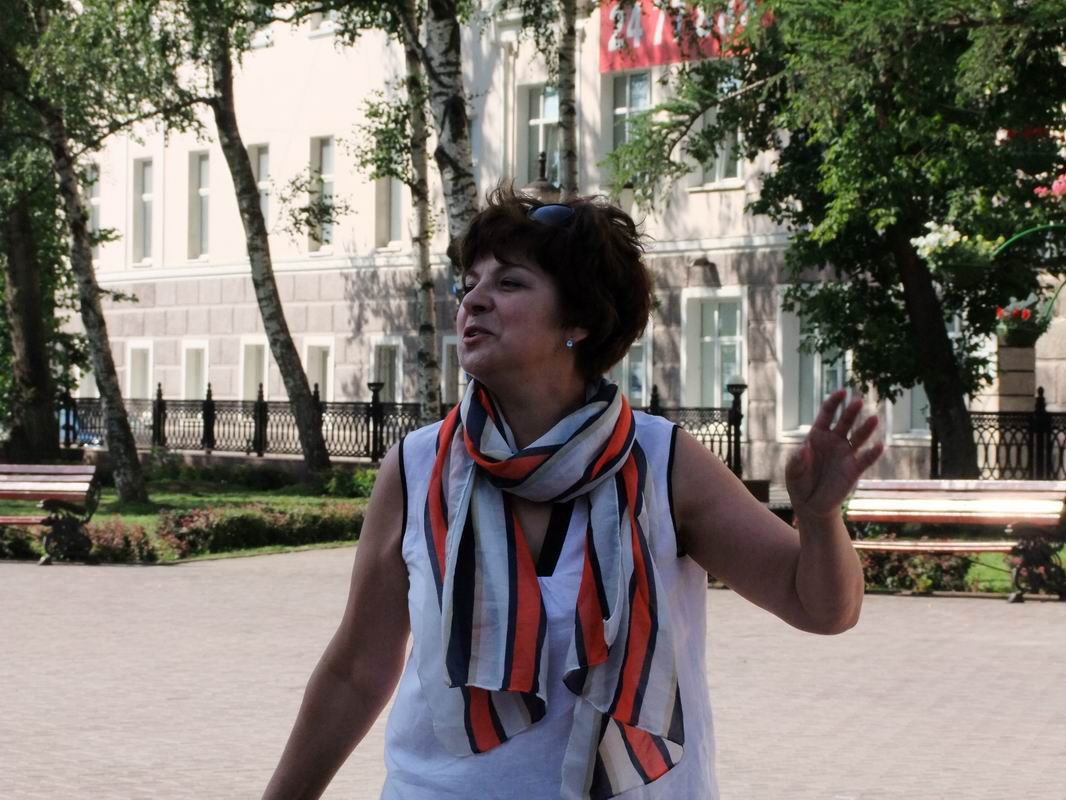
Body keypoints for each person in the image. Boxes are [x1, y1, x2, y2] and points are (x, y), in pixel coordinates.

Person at [262, 188, 883, 800]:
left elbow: (822, 609)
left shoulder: (662, 463)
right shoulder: (419, 467)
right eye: (468, 284)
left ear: (578, 321)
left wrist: (819, 518)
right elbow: (357, 670)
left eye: (509, 283)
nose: (474, 299)